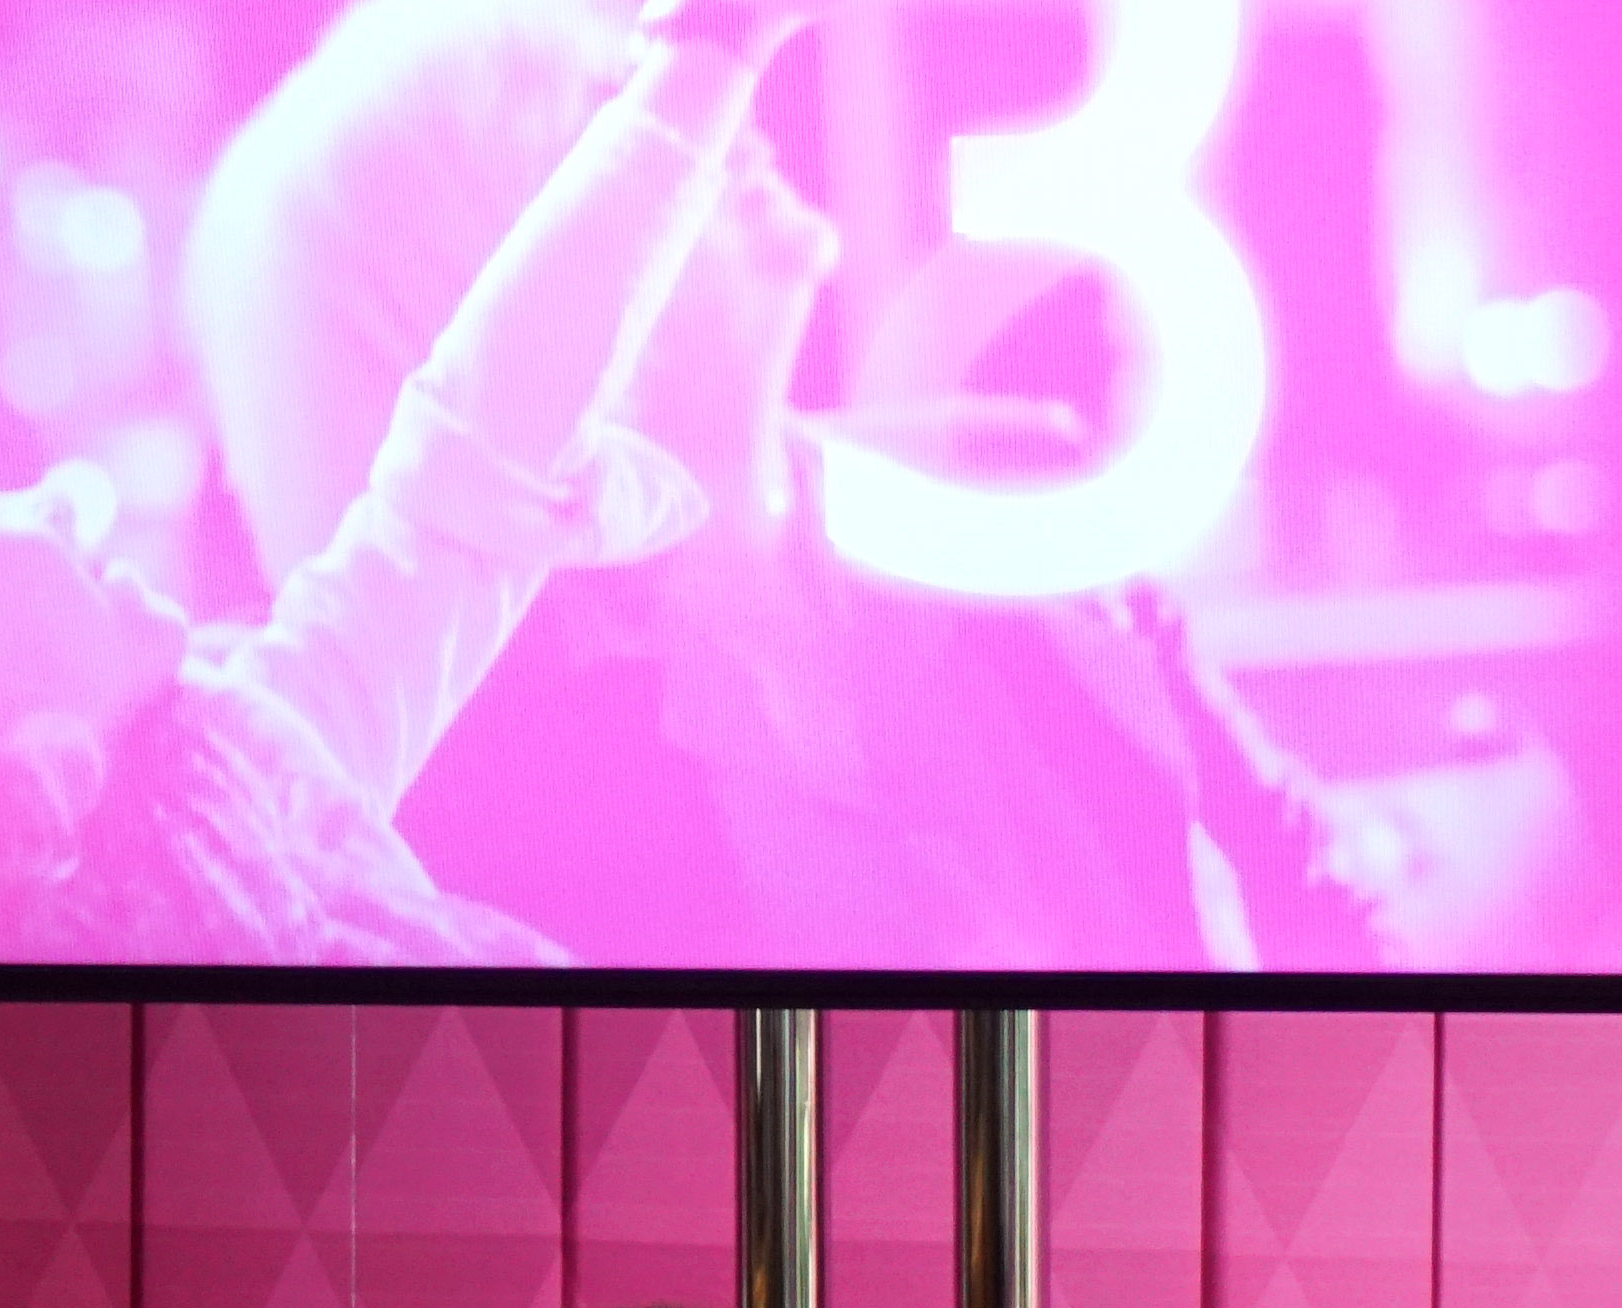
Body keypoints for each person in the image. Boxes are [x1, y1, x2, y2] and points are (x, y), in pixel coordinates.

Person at [0, 0, 819, 969]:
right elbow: (466, 472)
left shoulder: (247, 761)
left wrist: (704, 63)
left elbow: (462, 470)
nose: (51, 502)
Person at [181, 0, 1391, 975]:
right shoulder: (497, 802)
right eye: (608, 119)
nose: (724, 125)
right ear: (513, 300)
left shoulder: (1016, 480)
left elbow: (1300, 880)